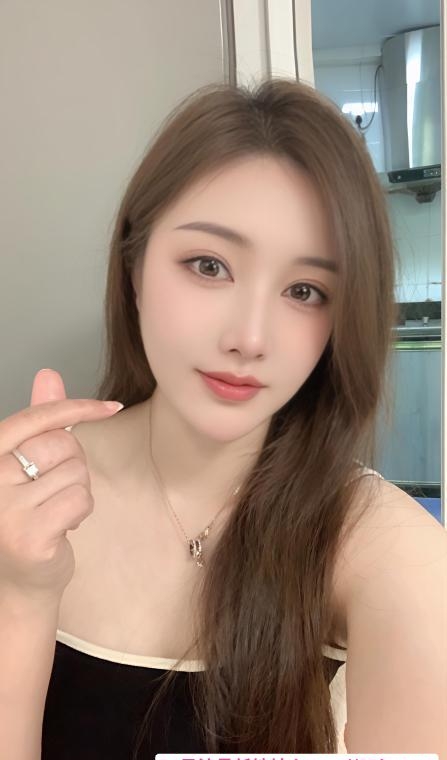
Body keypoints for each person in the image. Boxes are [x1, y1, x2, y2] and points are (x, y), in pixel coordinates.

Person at [0, 77, 446, 759]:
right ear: (134, 266)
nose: (249, 337)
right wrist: (22, 594)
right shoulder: (23, 498)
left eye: (305, 291)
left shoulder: (382, 545)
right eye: (208, 265)